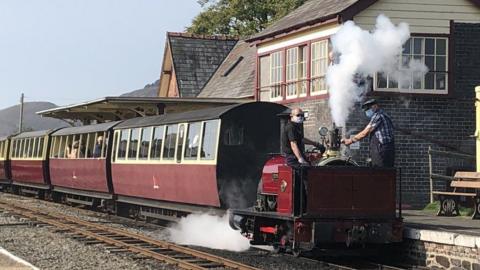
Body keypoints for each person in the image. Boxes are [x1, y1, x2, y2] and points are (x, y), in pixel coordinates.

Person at [342, 99, 395, 167]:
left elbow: (365, 132)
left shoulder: (378, 116)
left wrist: (350, 140)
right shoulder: (384, 115)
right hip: (385, 150)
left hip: (382, 151)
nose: (367, 112)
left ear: (375, 106)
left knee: (381, 173)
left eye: (368, 109)